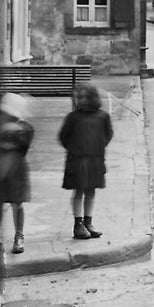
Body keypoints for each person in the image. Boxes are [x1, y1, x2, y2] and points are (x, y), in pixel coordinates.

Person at [59, 84, 113, 241]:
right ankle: (78, 224)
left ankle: (89, 222)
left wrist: (97, 146)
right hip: (78, 160)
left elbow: (108, 134)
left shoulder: (102, 116)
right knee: (79, 191)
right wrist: (76, 149)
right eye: (79, 98)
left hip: (95, 159)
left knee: (91, 191)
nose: (81, 100)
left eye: (84, 97)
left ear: (92, 98)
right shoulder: (73, 117)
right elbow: (64, 136)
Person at [0, 93, 35, 255]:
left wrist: (14, 135)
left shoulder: (25, 128)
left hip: (16, 170)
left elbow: (24, 147)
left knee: (17, 204)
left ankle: (18, 235)